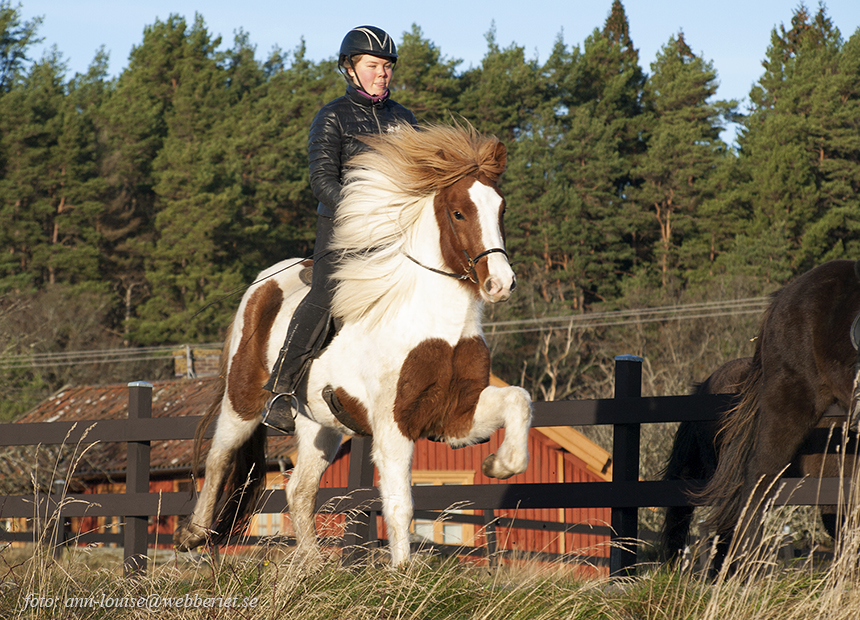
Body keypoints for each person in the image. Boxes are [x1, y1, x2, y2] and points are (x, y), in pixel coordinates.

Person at [261, 25, 418, 433]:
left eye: (387, 66)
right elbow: (321, 181)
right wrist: (363, 209)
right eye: (373, 65)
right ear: (350, 68)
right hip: (343, 230)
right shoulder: (332, 116)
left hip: (395, 235)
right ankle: (280, 389)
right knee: (326, 292)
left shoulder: (404, 119)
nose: (382, 73)